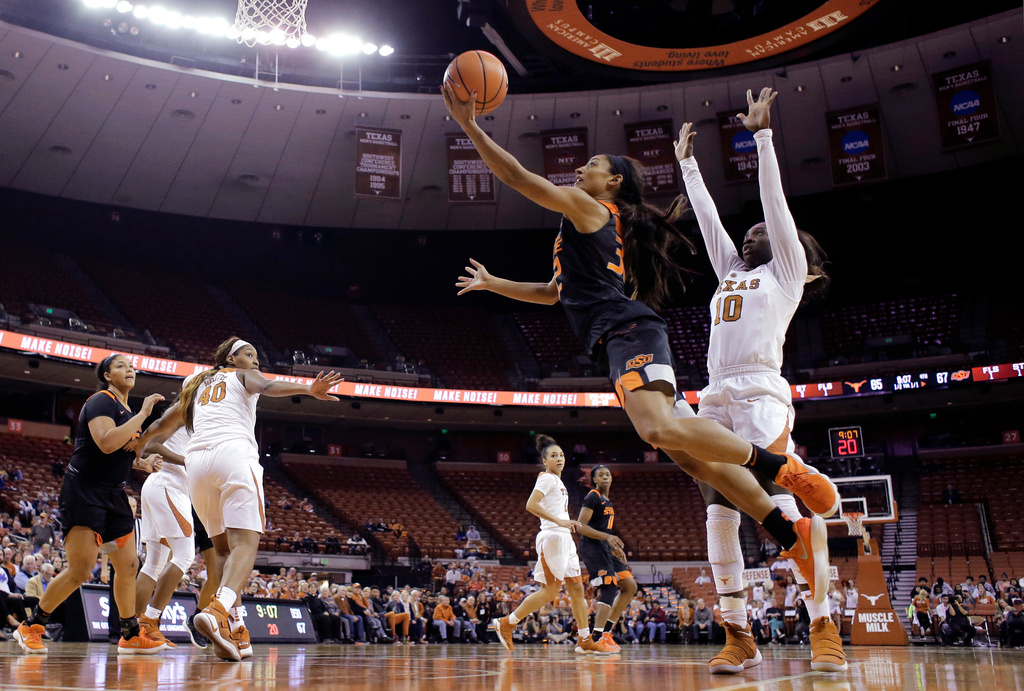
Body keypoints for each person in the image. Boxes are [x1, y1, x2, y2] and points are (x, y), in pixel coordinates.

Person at [444, 81, 836, 632]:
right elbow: (554, 293)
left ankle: (782, 472)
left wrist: (469, 126)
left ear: (614, 182)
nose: (580, 169)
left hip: (636, 334)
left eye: (591, 164)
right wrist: (493, 284)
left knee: (659, 430)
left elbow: (516, 177)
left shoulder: (591, 208)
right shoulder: (583, 232)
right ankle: (783, 534)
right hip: (633, 346)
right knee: (690, 458)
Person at [674, 91, 844, 675]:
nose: (749, 237)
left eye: (758, 234)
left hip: (760, 393)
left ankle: (823, 626)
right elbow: (708, 222)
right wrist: (688, 167)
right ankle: (740, 636)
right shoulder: (731, 273)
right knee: (717, 512)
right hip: (714, 392)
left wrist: (763, 137)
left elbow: (773, 203)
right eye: (746, 236)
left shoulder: (786, 274)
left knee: (779, 514)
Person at [135, 337, 342, 661]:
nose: (255, 360)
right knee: (246, 544)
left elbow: (162, 424)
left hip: (197, 465)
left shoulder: (197, 386)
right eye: (249, 354)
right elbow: (269, 386)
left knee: (223, 551)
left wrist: (138, 445)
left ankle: (236, 626)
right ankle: (217, 611)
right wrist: (308, 389)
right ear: (230, 359)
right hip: (233, 455)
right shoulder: (240, 376)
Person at [15, 354, 165, 655]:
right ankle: (31, 626)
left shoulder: (126, 410)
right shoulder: (100, 401)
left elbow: (124, 452)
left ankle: (129, 633)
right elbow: (106, 442)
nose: (129, 369)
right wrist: (144, 413)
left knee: (128, 565)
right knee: (81, 570)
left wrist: (143, 463)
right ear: (108, 376)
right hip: (84, 492)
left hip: (114, 495)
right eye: (121, 366)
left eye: (131, 366)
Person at [489, 435, 613, 655]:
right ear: (545, 461)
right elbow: (531, 505)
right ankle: (508, 622)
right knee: (550, 591)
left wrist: (566, 522)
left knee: (577, 589)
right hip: (553, 537)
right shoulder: (546, 478)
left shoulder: (558, 481)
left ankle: (585, 639)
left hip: (565, 538)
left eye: (562, 455)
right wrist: (559, 521)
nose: (559, 458)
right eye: (553, 455)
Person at [576, 464, 637, 653]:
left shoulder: (606, 500)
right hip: (592, 546)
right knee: (609, 587)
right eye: (600, 475)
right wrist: (608, 538)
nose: (605, 477)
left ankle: (606, 633)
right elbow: (580, 526)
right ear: (594, 479)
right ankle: (594, 640)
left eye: (607, 474)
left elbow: (605, 530)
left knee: (629, 586)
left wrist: (614, 546)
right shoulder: (592, 496)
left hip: (605, 547)